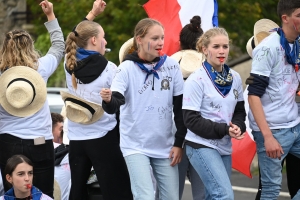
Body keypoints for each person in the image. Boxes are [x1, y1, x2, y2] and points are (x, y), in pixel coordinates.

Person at [100, 18, 187, 200]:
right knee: (145, 196)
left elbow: (180, 109)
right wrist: (108, 101)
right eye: (154, 38)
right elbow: (116, 101)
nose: (160, 43)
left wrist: (179, 143)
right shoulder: (126, 68)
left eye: (162, 37)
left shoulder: (171, 66)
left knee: (171, 197)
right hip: (135, 145)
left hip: (165, 145)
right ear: (139, 39)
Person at [62, 1, 133, 199]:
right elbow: (118, 103)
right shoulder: (110, 68)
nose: (106, 41)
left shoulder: (69, 66)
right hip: (103, 136)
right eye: (103, 37)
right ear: (94, 40)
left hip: (76, 137)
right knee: (117, 191)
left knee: (77, 191)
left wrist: (92, 14)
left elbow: (75, 35)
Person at [0, 0, 64, 198]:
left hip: (7, 141)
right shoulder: (40, 68)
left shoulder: (1, 75)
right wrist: (50, 16)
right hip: (39, 141)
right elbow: (59, 46)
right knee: (43, 194)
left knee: (13, 195)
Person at [182, 27, 246, 200]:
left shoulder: (235, 77)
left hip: (224, 145)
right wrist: (225, 129)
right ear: (204, 49)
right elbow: (191, 121)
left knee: (212, 196)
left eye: (225, 47)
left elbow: (239, 111)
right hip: (200, 145)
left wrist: (238, 126)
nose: (221, 51)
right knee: (224, 195)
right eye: (216, 46)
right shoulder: (196, 79)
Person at [247, 0, 300, 199]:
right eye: (299, 15)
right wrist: (267, 137)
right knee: (270, 190)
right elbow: (253, 95)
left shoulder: (298, 45)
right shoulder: (268, 48)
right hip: (273, 129)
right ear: (285, 18)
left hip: (295, 124)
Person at [170, 15, 205, 200]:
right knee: (203, 194)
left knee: (171, 193)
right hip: (203, 135)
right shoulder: (210, 64)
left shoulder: (170, 62)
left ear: (180, 41)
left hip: (175, 135)